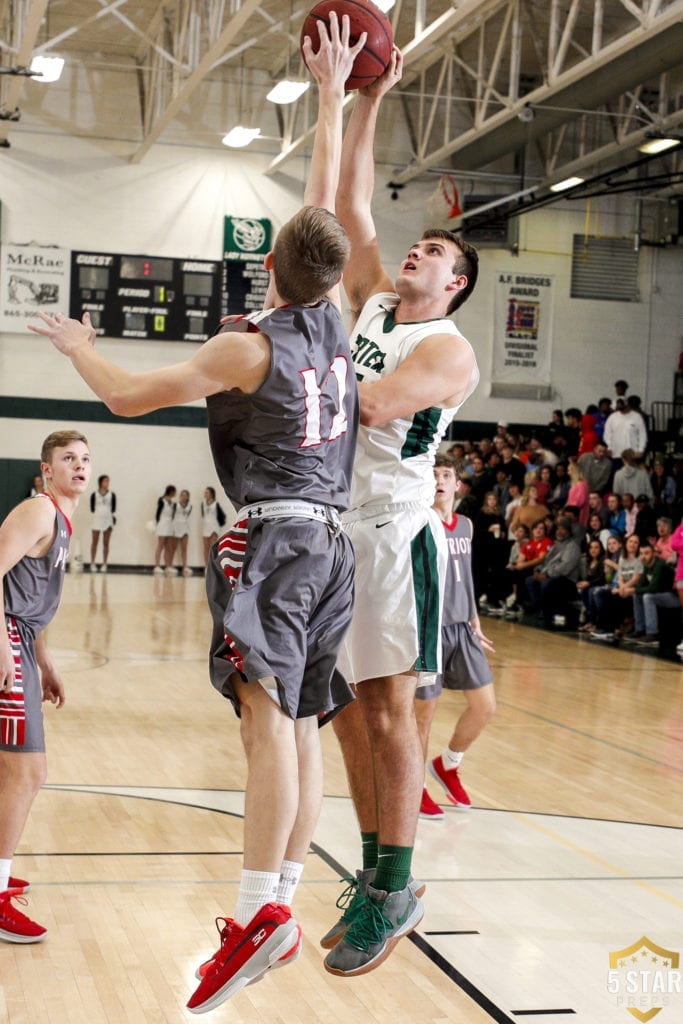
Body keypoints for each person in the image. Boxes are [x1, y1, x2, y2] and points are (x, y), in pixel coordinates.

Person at [30, 15, 362, 1011]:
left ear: (271, 262)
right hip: (334, 547)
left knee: (264, 729)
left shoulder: (247, 345)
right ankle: (284, 898)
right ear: (328, 272)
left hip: (272, 538)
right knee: (298, 729)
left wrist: (81, 346)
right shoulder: (335, 316)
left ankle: (257, 907)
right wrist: (333, 97)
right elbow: (326, 202)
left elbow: (127, 397)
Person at [321, 44, 481, 978]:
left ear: (453, 282)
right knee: (346, 713)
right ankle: (377, 873)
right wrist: (363, 99)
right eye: (414, 245)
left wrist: (279, 368)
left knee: (390, 715)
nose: (414, 250)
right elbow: (349, 205)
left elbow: (371, 408)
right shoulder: (376, 304)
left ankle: (396, 886)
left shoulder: (446, 348)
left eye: (434, 252)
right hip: (339, 531)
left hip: (391, 535)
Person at [1, 430, 91, 942]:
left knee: (13, 768)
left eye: (85, 458)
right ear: (47, 470)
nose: (79, 466)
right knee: (27, 768)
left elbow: (29, 592)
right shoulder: (37, 512)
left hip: (21, 636)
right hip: (5, 632)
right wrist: (3, 642)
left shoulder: (63, 521)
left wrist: (44, 657)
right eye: (68, 459)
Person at [414, 457, 495, 821]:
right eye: (433, 475)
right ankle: (413, 786)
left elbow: (467, 577)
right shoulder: (418, 522)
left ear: (458, 485)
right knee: (423, 715)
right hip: (428, 628)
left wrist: (475, 620)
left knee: (485, 705)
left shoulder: (466, 526)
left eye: (446, 475)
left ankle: (448, 764)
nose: (440, 481)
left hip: (462, 627)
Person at [524, 517, 582, 628]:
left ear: (568, 531)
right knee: (530, 580)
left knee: (547, 584)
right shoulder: (555, 545)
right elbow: (546, 560)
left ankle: (547, 613)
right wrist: (537, 570)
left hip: (567, 579)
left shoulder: (572, 546)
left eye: (563, 529)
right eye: (558, 529)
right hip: (551, 575)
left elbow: (565, 567)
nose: (559, 531)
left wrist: (546, 575)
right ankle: (539, 608)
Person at [631, 540, 676, 643]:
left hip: (674, 597)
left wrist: (634, 589)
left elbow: (653, 588)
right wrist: (635, 590)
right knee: (636, 595)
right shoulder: (645, 566)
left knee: (648, 597)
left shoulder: (660, 565)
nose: (643, 556)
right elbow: (641, 585)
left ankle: (652, 633)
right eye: (641, 553)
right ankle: (640, 629)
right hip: (661, 594)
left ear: (654, 554)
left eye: (646, 553)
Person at [89, 474, 116, 573]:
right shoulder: (94, 494)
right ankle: (92, 563)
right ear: (100, 482)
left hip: (108, 520)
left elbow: (113, 508)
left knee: (106, 543)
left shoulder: (112, 495)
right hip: (97, 519)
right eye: (105, 481)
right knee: (94, 542)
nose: (107, 483)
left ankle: (104, 563)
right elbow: (92, 508)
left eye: (108, 481)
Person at [200, 486, 227, 568]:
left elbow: (222, 516)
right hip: (205, 527)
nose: (205, 494)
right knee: (205, 548)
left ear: (211, 494)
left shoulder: (216, 504)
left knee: (213, 548)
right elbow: (203, 515)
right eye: (205, 492)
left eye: (207, 492)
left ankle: (213, 566)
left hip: (214, 528)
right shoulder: (203, 504)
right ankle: (206, 566)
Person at [153, 485, 177, 576]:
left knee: (168, 546)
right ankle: (157, 565)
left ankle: (168, 566)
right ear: (171, 491)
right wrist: (157, 524)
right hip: (162, 523)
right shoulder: (161, 500)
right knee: (160, 545)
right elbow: (158, 513)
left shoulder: (173, 503)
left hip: (169, 524)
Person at [172, 489, 193, 576]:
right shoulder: (175, 505)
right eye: (182, 495)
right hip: (176, 528)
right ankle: (170, 566)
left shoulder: (190, 506)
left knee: (184, 549)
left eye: (185, 495)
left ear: (188, 497)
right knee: (173, 548)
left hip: (185, 528)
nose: (184, 496)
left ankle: (185, 566)